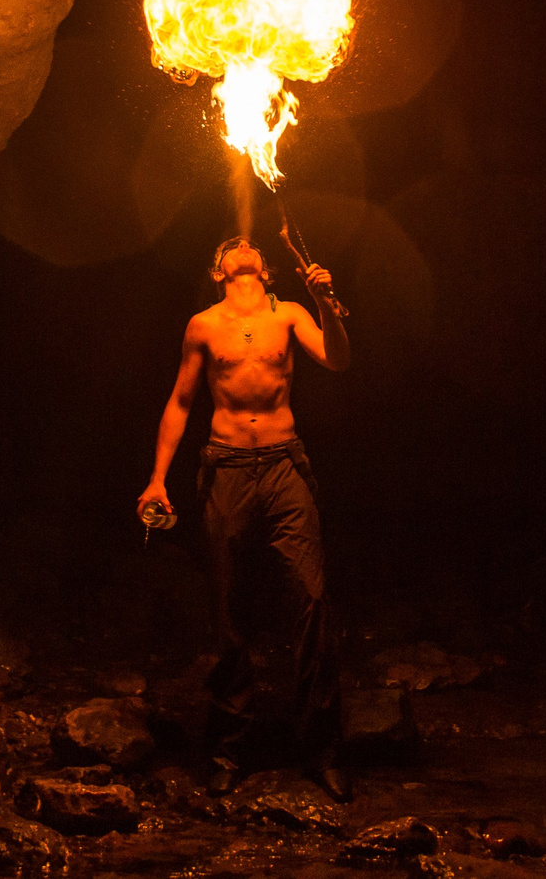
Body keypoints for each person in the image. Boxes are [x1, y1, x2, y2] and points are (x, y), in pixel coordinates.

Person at [137, 233, 354, 800]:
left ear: (266, 268)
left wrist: (328, 305)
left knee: (311, 600)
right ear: (218, 271)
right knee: (229, 610)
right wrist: (157, 478)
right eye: (229, 246)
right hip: (226, 467)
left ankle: (323, 752)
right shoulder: (204, 325)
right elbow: (181, 401)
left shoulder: (291, 313)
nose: (240, 245)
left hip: (284, 466)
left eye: (248, 244)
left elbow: (338, 360)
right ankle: (228, 751)